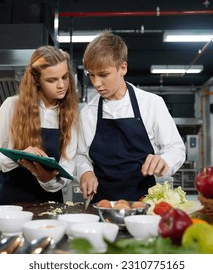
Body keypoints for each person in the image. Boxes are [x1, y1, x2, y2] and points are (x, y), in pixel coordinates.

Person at [77, 31, 186, 203]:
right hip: (102, 204)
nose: (96, 83)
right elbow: (82, 155)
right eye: (91, 75)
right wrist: (85, 171)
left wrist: (163, 160)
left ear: (123, 68)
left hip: (145, 203)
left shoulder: (152, 104)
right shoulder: (87, 113)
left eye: (103, 74)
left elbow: (176, 148)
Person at [0, 46, 79, 205]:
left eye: (65, 77)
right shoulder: (12, 106)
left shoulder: (71, 115)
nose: (61, 85)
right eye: (52, 80)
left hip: (50, 204)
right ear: (36, 81)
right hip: (10, 204)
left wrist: (47, 180)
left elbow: (67, 169)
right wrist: (18, 156)